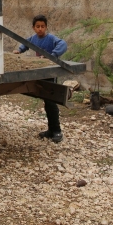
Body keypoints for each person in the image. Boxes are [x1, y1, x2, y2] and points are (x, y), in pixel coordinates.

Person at [13, 14, 68, 143]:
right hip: (40, 73)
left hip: (50, 73)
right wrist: (19, 50)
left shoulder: (51, 38)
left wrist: (52, 55)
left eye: (42, 26)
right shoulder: (34, 38)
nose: (40, 29)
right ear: (33, 28)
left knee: (51, 101)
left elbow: (63, 44)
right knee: (46, 101)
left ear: (46, 27)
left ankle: (57, 131)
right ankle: (50, 130)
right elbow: (25, 43)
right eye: (37, 26)